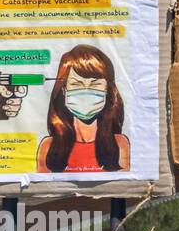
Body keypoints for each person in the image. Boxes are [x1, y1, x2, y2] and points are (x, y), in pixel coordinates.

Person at [36, 45, 130, 173]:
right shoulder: (49, 147)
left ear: (108, 90)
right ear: (64, 90)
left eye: (95, 84)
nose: (86, 91)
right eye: (76, 84)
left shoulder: (119, 145)